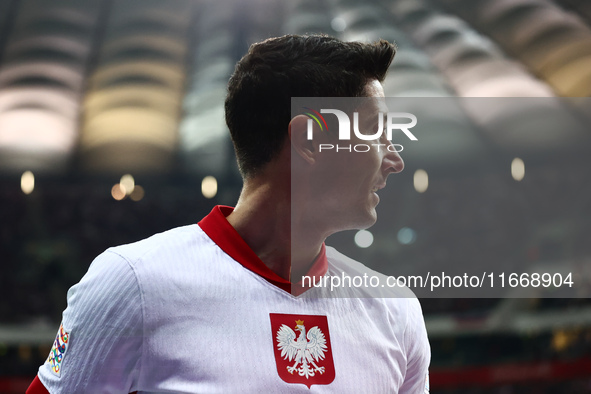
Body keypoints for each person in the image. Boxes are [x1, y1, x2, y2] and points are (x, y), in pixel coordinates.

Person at [27, 34, 430, 393]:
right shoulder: (131, 285)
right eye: (375, 133)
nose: (394, 160)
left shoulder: (396, 309)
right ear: (309, 142)